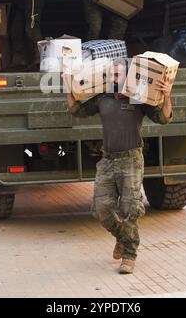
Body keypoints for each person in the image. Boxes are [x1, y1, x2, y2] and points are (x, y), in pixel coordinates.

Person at [66, 60, 173, 274]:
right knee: (100, 209)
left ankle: (129, 256)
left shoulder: (138, 97)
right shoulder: (102, 98)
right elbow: (77, 110)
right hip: (107, 161)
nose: (114, 78)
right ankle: (122, 237)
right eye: (111, 74)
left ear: (127, 75)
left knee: (130, 210)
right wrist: (69, 86)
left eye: (118, 74)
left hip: (131, 160)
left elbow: (163, 118)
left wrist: (167, 95)